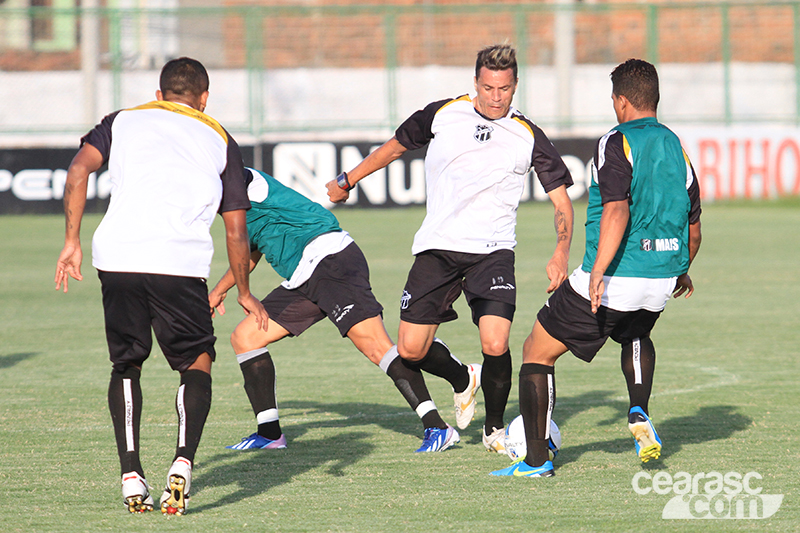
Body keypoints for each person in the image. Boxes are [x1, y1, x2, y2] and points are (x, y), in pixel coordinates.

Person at [326, 44, 574, 453]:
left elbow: (562, 202)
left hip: (493, 251)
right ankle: (463, 378)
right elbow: (394, 147)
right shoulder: (442, 114)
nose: (496, 97)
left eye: (505, 88)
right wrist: (347, 180)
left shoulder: (529, 135)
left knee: (496, 342)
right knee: (410, 349)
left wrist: (561, 251)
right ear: (475, 83)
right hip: (438, 249)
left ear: (516, 86)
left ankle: (493, 427)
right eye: (489, 87)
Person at [54, 57, 268, 514]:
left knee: (126, 364)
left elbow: (77, 171)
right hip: (179, 261)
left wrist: (71, 241)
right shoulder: (220, 137)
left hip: (117, 256)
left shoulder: (123, 120)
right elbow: (235, 229)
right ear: (204, 98)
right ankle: (183, 462)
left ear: (159, 95)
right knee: (196, 361)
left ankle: (131, 473)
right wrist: (244, 291)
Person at [491, 58, 703, 478]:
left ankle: (535, 460)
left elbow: (617, 212)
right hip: (661, 275)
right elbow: (693, 227)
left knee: (537, 351)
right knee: (635, 331)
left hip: (616, 274)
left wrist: (597, 273)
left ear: (620, 101)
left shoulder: (615, 141)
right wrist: (680, 269)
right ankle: (639, 409)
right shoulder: (678, 147)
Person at [209, 167, 458, 453]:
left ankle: (438, 427)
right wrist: (219, 290)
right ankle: (269, 434)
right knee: (246, 337)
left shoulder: (237, 178)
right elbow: (249, 251)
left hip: (329, 259)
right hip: (303, 274)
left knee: (376, 347)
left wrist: (243, 293)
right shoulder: (222, 196)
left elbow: (237, 238)